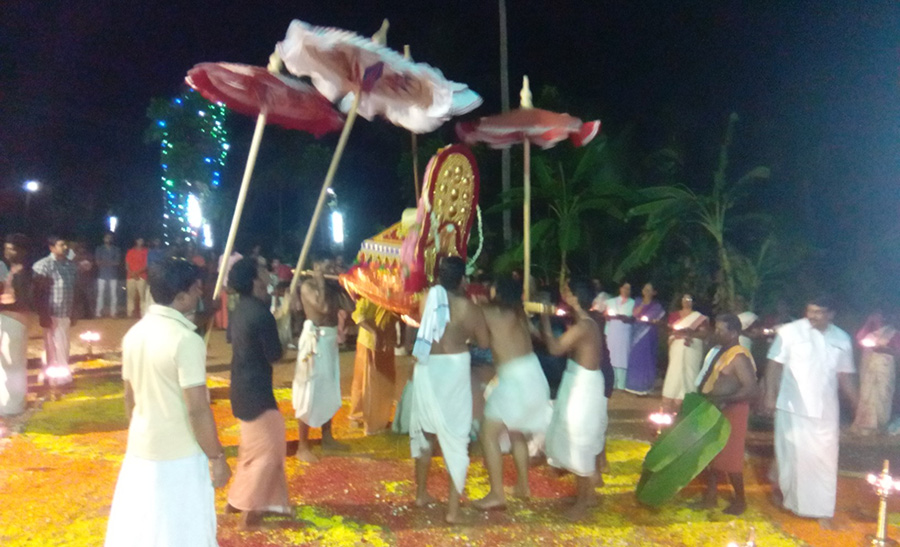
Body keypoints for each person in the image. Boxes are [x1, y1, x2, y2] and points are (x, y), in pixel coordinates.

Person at [105, 258, 231, 547]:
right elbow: (197, 409)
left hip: (142, 449)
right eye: (196, 289)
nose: (200, 294)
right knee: (180, 531)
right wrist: (217, 457)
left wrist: (144, 432)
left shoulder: (134, 334)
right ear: (181, 297)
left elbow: (129, 397)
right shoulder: (185, 340)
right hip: (179, 456)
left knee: (144, 530)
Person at [761, 296, 858, 528]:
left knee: (826, 460)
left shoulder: (842, 339)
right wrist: (770, 395)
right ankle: (791, 501)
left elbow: (845, 378)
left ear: (831, 314)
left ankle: (822, 510)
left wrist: (858, 406)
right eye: (810, 311)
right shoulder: (790, 332)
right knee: (792, 459)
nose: (812, 316)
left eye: (819, 312)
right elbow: (774, 364)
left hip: (826, 411)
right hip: (792, 407)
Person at [410, 256, 489, 524]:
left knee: (426, 432)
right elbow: (484, 342)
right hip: (454, 369)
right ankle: (453, 511)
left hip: (427, 367)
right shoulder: (469, 308)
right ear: (463, 280)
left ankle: (421, 494)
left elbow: (423, 325)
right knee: (456, 436)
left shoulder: (426, 299)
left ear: (439, 278)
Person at [472, 277, 551, 511]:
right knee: (517, 433)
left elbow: (482, 342)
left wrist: (476, 304)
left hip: (514, 380)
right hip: (534, 374)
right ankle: (523, 486)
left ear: (497, 292)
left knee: (488, 434)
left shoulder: (489, 312)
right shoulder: (520, 313)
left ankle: (497, 494)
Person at [225, 257, 290, 529]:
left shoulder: (239, 309)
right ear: (254, 280)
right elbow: (274, 354)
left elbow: (232, 338)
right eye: (262, 272)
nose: (267, 275)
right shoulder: (261, 313)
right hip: (256, 389)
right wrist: (282, 327)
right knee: (269, 451)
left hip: (241, 384)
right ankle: (250, 513)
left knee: (253, 448)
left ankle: (237, 501)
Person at [541, 278, 608, 521]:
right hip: (580, 382)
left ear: (576, 298)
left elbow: (555, 348)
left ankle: (584, 502)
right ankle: (587, 496)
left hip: (584, 387)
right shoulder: (584, 323)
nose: (564, 295)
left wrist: (545, 320)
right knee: (576, 438)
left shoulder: (585, 326)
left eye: (568, 292)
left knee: (579, 440)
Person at [695, 314, 758, 515]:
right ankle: (710, 497)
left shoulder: (738, 357)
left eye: (721, 330)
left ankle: (740, 501)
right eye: (717, 329)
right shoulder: (723, 352)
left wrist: (726, 400)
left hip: (734, 410)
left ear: (734, 333)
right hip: (720, 407)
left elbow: (751, 389)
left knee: (731, 457)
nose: (717, 333)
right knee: (713, 453)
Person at [292, 254, 348, 462]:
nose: (332, 269)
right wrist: (321, 282)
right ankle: (302, 446)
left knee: (328, 389)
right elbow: (323, 308)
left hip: (330, 342)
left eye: (333, 266)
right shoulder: (308, 286)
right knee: (309, 391)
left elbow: (349, 306)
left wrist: (344, 284)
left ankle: (327, 437)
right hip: (314, 343)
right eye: (328, 265)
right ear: (316, 266)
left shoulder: (332, 288)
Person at [349, 297, 398, 435]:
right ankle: (371, 422)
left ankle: (373, 418)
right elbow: (358, 316)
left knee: (382, 381)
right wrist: (375, 332)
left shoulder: (392, 291)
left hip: (386, 339)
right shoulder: (370, 292)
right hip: (370, 342)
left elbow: (396, 315)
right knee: (370, 382)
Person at [33, 236, 77, 386]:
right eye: (61, 245)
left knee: (63, 345)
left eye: (65, 245)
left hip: (66, 312)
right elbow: (38, 292)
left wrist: (74, 311)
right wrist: (43, 314)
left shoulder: (70, 266)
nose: (65, 247)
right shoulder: (43, 265)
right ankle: (58, 378)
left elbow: (74, 289)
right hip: (51, 313)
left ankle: (53, 374)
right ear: (51, 248)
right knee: (53, 346)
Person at [0, 234, 33, 416]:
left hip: (15, 320)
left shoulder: (22, 273)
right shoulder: (12, 270)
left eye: (11, 248)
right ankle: (7, 402)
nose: (7, 251)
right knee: (6, 364)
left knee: (13, 364)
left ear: (22, 251)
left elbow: (19, 300)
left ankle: (13, 405)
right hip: (9, 320)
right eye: (6, 247)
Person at [850, 312, 898, 435]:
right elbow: (859, 338)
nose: (878, 319)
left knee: (882, 393)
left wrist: (885, 349)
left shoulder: (892, 332)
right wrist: (869, 322)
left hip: (884, 366)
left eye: (879, 317)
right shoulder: (870, 332)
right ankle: (866, 423)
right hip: (869, 366)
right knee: (867, 393)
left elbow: (897, 350)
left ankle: (880, 423)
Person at [662, 293, 708, 411]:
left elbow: (704, 333)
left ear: (693, 302)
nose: (687, 301)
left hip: (692, 347)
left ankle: (689, 396)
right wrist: (678, 334)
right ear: (681, 301)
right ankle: (671, 396)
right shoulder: (674, 315)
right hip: (677, 346)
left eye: (689, 299)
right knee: (675, 370)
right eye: (684, 299)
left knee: (690, 371)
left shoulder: (699, 317)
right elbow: (670, 331)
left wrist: (690, 334)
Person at [625, 282, 665, 395]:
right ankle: (632, 385)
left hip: (649, 335)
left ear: (654, 292)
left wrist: (654, 321)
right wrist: (643, 303)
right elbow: (635, 314)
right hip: (637, 333)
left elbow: (660, 321)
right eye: (645, 289)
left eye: (649, 290)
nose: (647, 292)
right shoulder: (638, 301)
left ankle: (645, 387)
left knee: (647, 358)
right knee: (635, 357)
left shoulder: (657, 306)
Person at [604, 282, 635, 390]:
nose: (626, 290)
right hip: (612, 332)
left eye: (628, 289)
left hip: (625, 333)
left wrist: (626, 318)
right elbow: (606, 316)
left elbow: (634, 318)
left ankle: (621, 384)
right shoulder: (611, 302)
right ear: (620, 289)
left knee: (623, 357)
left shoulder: (633, 303)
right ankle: (612, 382)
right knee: (612, 357)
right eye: (624, 288)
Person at [95, 232, 122, 318]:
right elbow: (97, 262)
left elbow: (117, 262)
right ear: (103, 239)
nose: (108, 239)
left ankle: (113, 312)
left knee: (113, 294)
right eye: (106, 237)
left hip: (113, 275)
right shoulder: (99, 249)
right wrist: (110, 263)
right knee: (100, 294)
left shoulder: (116, 249)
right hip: (102, 275)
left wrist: (104, 262)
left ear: (112, 239)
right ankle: (98, 312)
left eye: (110, 238)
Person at [125, 238, 149, 318]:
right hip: (131, 276)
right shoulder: (130, 251)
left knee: (142, 297)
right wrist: (133, 273)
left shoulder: (146, 251)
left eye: (142, 240)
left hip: (141, 276)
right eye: (139, 240)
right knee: (130, 296)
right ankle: (130, 313)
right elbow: (127, 264)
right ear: (136, 241)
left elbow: (146, 265)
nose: (140, 242)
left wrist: (136, 273)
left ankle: (143, 314)